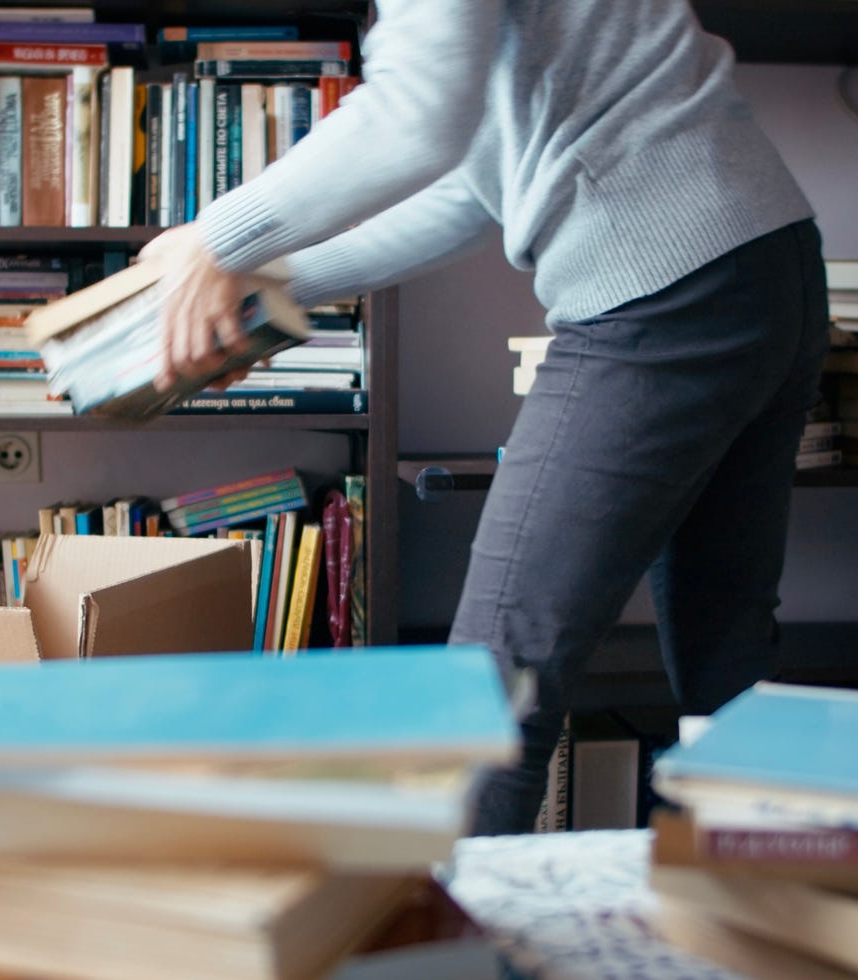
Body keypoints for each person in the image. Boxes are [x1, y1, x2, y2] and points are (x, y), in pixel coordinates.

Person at [140, 0, 830, 835]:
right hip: (764, 260)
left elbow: (412, 117)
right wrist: (279, 289)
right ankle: (774, 923)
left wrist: (217, 241)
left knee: (496, 678)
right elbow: (473, 190)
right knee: (725, 643)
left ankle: (448, 946)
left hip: (662, 285)